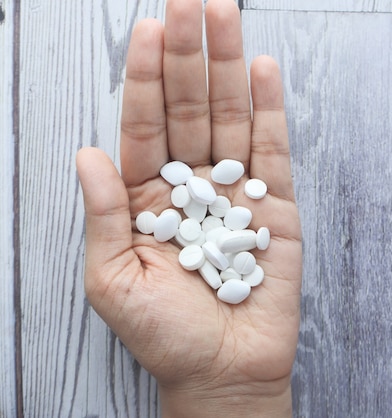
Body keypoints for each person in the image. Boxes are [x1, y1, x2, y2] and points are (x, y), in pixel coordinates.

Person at [75, 0, 302, 416]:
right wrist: (234, 391)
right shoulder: (201, 230)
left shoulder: (222, 237)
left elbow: (213, 245)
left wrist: (234, 390)